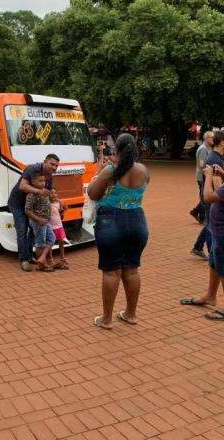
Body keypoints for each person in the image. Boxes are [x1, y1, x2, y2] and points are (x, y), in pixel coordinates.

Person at [180, 149, 224, 321]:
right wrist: (223, 174)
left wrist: (209, 177)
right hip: (222, 228)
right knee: (214, 262)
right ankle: (210, 296)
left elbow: (208, 197)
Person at [88, 133, 149, 330]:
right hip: (137, 222)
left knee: (111, 272)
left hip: (111, 221)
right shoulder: (143, 170)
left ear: (117, 149)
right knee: (131, 270)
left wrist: (99, 174)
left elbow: (93, 194)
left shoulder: (111, 170)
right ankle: (130, 314)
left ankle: (107, 319)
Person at [7, 154, 60, 272]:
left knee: (33, 232)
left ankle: (30, 256)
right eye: (52, 164)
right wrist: (39, 191)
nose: (54, 168)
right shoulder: (33, 168)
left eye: (56, 166)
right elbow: (22, 186)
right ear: (45, 162)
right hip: (18, 203)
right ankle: (23, 260)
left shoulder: (50, 176)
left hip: (33, 206)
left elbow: (47, 195)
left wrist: (58, 203)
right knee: (22, 229)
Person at [191, 131, 224, 260]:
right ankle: (212, 253)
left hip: (209, 197)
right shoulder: (215, 159)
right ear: (222, 143)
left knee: (209, 224)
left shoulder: (217, 157)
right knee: (211, 226)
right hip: (211, 198)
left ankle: (198, 247)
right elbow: (217, 186)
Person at [25, 174, 56, 271]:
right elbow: (27, 210)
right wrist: (39, 220)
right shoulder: (32, 194)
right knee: (40, 243)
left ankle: (41, 260)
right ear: (33, 182)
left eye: (44, 181)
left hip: (45, 222)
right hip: (38, 222)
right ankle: (42, 265)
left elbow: (49, 201)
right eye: (40, 181)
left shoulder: (44, 191)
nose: (43, 183)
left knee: (52, 238)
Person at [190, 131, 214, 224]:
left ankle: (196, 212)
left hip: (206, 176)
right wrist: (211, 170)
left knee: (205, 196)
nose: (213, 139)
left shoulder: (209, 148)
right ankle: (202, 217)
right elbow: (201, 164)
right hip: (202, 177)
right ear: (206, 138)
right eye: (211, 137)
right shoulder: (203, 149)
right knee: (204, 197)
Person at [49, 189, 69, 269]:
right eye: (51, 193)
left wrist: (61, 202)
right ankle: (50, 259)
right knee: (50, 243)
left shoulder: (58, 203)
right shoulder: (47, 203)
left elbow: (65, 208)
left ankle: (62, 257)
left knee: (61, 241)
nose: (53, 195)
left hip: (59, 226)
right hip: (50, 227)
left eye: (55, 193)